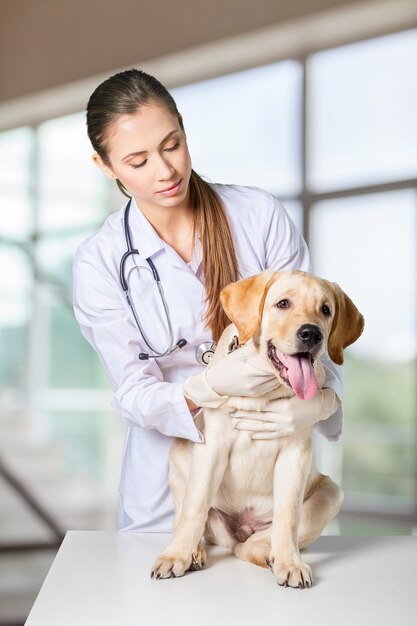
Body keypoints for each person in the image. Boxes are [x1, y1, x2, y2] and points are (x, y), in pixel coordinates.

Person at [73, 69, 343, 533]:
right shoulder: (99, 261)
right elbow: (134, 392)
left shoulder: (256, 215)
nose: (165, 171)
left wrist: (323, 402)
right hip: (168, 482)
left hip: (265, 471)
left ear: (183, 127)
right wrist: (206, 387)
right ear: (105, 166)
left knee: (274, 594)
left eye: (171, 144)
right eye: (137, 161)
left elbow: (313, 326)